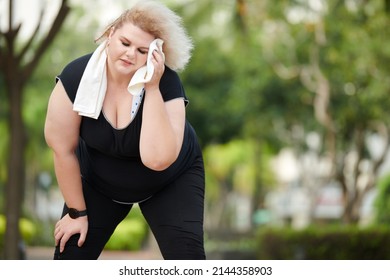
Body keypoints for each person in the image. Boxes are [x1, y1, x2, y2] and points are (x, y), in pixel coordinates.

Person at [44, 0, 205, 260]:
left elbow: (158, 160)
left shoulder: (167, 84)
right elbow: (62, 149)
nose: (131, 54)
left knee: (187, 261)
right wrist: (77, 214)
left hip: (169, 179)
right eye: (125, 43)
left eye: (142, 50)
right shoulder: (75, 78)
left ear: (155, 54)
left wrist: (152, 87)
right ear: (110, 36)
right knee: (70, 255)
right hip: (98, 182)